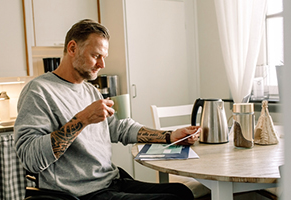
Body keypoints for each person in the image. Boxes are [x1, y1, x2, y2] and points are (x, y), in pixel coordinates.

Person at [14, 19, 200, 200]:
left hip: (110, 181)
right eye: (96, 56)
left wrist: (170, 136)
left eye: (104, 57)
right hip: (80, 193)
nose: (102, 65)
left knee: (182, 192)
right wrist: (82, 120)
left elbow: (120, 128)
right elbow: (31, 158)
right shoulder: (39, 91)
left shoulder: (89, 90)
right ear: (72, 48)